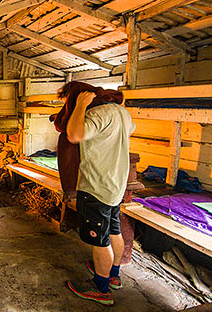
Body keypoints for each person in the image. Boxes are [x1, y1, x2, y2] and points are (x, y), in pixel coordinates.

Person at [61, 86, 135, 306]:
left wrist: (81, 106)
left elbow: (74, 135)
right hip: (115, 186)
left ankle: (101, 289)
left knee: (100, 242)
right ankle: (114, 276)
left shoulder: (96, 113)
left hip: (97, 186)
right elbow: (129, 129)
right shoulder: (121, 112)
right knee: (113, 230)